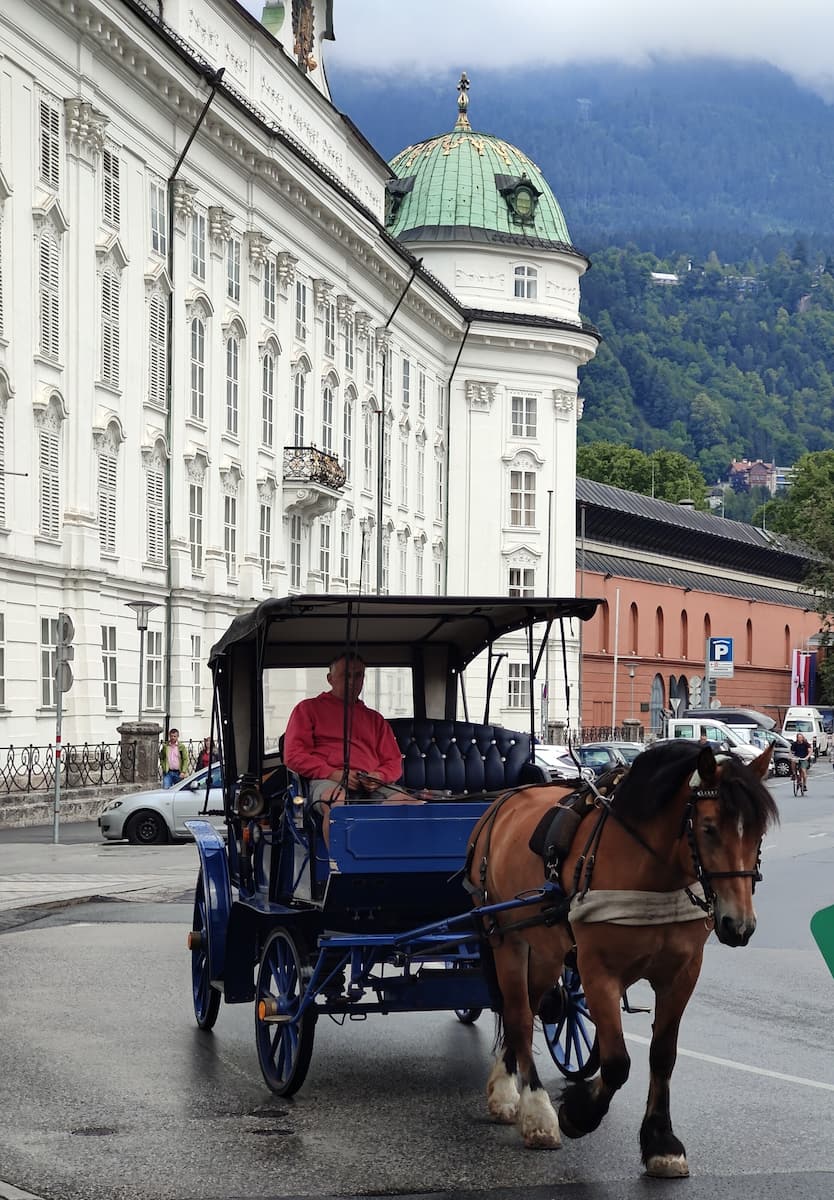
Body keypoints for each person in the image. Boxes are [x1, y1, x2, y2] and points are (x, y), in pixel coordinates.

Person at [283, 652, 421, 840]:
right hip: (329, 779)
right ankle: (340, 867)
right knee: (336, 803)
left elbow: (393, 762)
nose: (352, 681)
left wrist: (378, 776)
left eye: (358, 676)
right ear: (330, 679)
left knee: (409, 805)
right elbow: (293, 755)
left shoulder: (376, 719)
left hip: (371, 783)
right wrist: (332, 773)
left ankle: (403, 866)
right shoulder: (308, 709)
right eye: (346, 675)